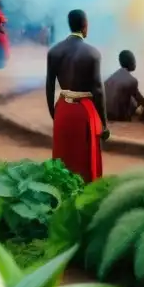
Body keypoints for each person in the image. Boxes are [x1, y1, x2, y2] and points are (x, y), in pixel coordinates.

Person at [46, 9, 108, 182]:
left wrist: (54, 113)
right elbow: (98, 90)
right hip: (84, 111)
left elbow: (49, 86)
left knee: (63, 155)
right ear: (85, 25)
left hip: (63, 109)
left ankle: (61, 193)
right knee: (84, 158)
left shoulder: (54, 51)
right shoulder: (92, 53)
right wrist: (104, 123)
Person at [104, 50, 144, 122]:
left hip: (107, 116)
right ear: (130, 62)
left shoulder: (109, 79)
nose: (135, 63)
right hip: (120, 119)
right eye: (134, 60)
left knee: (131, 99)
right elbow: (142, 102)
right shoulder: (132, 80)